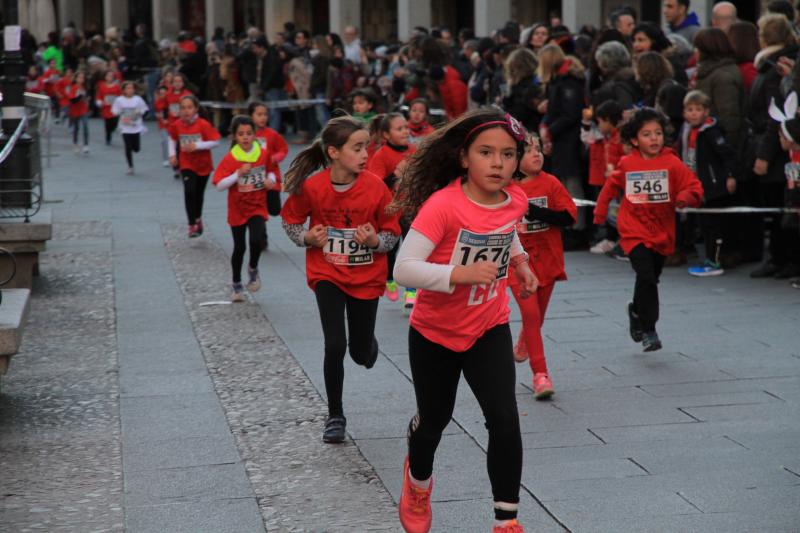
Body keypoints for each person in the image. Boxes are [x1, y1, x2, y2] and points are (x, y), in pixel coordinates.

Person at [391, 109, 538, 533]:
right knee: (434, 421)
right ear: (463, 158)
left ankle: (506, 521)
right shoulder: (443, 206)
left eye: (508, 155)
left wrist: (521, 262)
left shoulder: (516, 200)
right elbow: (404, 269)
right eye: (487, 153)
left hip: (488, 324)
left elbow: (504, 230)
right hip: (435, 333)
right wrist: (458, 274)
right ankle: (418, 483)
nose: (498, 163)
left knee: (505, 419)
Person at [280, 116, 401, 444]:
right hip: (327, 273)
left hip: (366, 277)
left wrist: (375, 241)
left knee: (360, 353)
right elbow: (290, 221)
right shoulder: (312, 186)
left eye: (367, 147)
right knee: (335, 344)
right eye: (357, 148)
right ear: (333, 152)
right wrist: (308, 238)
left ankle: (366, 345)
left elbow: (392, 233)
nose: (365, 154)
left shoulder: (376, 186)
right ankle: (335, 415)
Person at [594, 108, 703, 351]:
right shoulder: (627, 163)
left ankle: (636, 311)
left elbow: (694, 186)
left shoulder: (672, 162)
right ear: (634, 139)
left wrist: (684, 197)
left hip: (662, 232)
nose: (654, 138)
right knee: (646, 277)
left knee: (651, 277)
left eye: (657, 133)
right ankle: (649, 329)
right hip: (633, 231)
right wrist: (600, 214)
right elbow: (610, 187)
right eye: (647, 134)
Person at [511, 134, 576, 399]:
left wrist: (537, 212)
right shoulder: (506, 187)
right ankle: (541, 375)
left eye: (538, 149)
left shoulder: (550, 183)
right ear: (514, 159)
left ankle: (525, 339)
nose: (537, 154)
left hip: (547, 261)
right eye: (528, 151)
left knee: (536, 316)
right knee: (531, 315)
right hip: (517, 265)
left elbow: (568, 218)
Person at [213, 115, 276, 302]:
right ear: (234, 137)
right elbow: (219, 184)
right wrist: (237, 174)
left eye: (249, 133)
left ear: (254, 135)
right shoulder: (231, 158)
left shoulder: (263, 154)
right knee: (239, 247)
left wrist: (270, 181)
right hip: (237, 209)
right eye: (241, 134)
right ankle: (236, 283)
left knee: (257, 240)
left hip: (257, 205)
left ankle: (253, 268)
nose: (245, 137)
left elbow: (272, 170)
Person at [679, 90, 739, 276]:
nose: (694, 113)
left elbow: (727, 154)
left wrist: (730, 175)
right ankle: (710, 258)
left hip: (713, 185)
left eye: (698, 109)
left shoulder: (711, 132)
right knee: (704, 225)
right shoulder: (687, 131)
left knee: (714, 225)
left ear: (706, 111)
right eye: (690, 109)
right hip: (696, 185)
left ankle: (715, 261)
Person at [366, 113, 417, 306]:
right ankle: (389, 280)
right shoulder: (381, 155)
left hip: (411, 208)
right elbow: (375, 185)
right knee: (391, 250)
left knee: (412, 249)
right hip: (389, 210)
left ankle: (411, 290)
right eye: (399, 128)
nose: (405, 131)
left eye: (406, 127)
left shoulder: (414, 150)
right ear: (386, 135)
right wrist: (397, 172)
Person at [168, 95, 222, 238]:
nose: (186, 111)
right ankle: (191, 224)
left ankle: (198, 218)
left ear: (196, 109)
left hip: (203, 164)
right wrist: (172, 154)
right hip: (186, 163)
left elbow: (216, 141)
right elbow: (172, 138)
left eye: (189, 107)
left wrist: (197, 145)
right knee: (189, 191)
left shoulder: (203, 124)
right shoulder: (177, 124)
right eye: (183, 108)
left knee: (198, 194)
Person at [581, 101, 625, 254]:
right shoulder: (607, 137)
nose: (598, 125)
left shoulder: (619, 138)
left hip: (620, 181)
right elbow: (587, 138)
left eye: (599, 121)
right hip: (610, 179)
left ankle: (619, 240)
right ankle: (614, 239)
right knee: (613, 212)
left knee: (618, 212)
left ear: (607, 119)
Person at [249, 101, 289, 248]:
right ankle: (261, 236)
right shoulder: (248, 134)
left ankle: (262, 224)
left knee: (274, 209)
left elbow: (283, 149)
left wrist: (275, 157)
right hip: (255, 176)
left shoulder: (272, 134)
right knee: (259, 208)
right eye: (259, 114)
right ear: (251, 116)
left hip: (271, 176)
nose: (263, 118)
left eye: (265, 114)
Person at [111, 81, 150, 175]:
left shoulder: (138, 99)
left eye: (131, 88)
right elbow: (114, 110)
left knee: (136, 148)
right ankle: (130, 166)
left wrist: (139, 112)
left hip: (136, 126)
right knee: (127, 147)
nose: (130, 90)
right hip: (125, 127)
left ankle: (134, 149)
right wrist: (119, 112)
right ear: (124, 90)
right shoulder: (119, 100)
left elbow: (145, 109)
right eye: (128, 88)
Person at [96, 69, 122, 146]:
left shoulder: (117, 87)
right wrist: (100, 102)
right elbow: (99, 97)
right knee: (107, 124)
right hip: (106, 109)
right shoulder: (102, 86)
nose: (110, 77)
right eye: (108, 76)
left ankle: (113, 129)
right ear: (105, 77)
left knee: (115, 122)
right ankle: (108, 138)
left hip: (115, 109)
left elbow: (120, 96)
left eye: (111, 76)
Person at [67, 70, 91, 155]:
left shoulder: (84, 88)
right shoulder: (73, 87)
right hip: (75, 110)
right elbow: (72, 99)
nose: (81, 79)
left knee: (85, 126)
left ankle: (86, 144)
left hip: (83, 109)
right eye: (79, 77)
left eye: (82, 78)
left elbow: (87, 96)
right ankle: (76, 143)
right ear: (76, 78)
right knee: (76, 128)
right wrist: (79, 97)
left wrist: (87, 99)